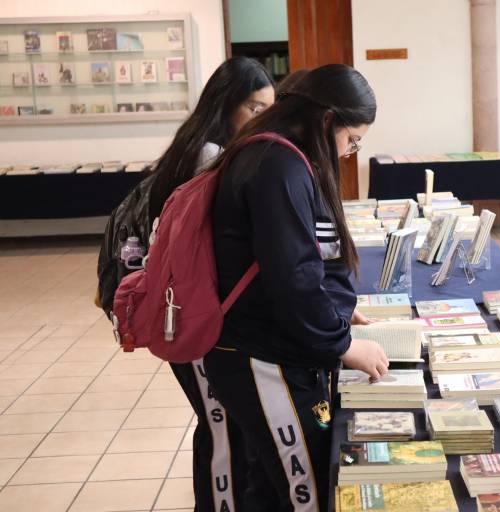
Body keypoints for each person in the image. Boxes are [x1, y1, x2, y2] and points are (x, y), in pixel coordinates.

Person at [204, 64, 389, 511]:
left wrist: (338, 312)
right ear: (327, 119)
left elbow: (309, 260)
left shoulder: (285, 157)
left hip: (271, 349)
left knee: (270, 488)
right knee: (305, 487)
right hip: (262, 357)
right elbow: (294, 275)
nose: (349, 152)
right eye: (352, 138)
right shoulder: (278, 164)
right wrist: (342, 343)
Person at [147, 56, 276, 512]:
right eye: (255, 109)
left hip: (192, 308)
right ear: (227, 106)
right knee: (220, 428)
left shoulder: (199, 146)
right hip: (196, 313)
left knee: (219, 425)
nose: (263, 119)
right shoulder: (210, 155)